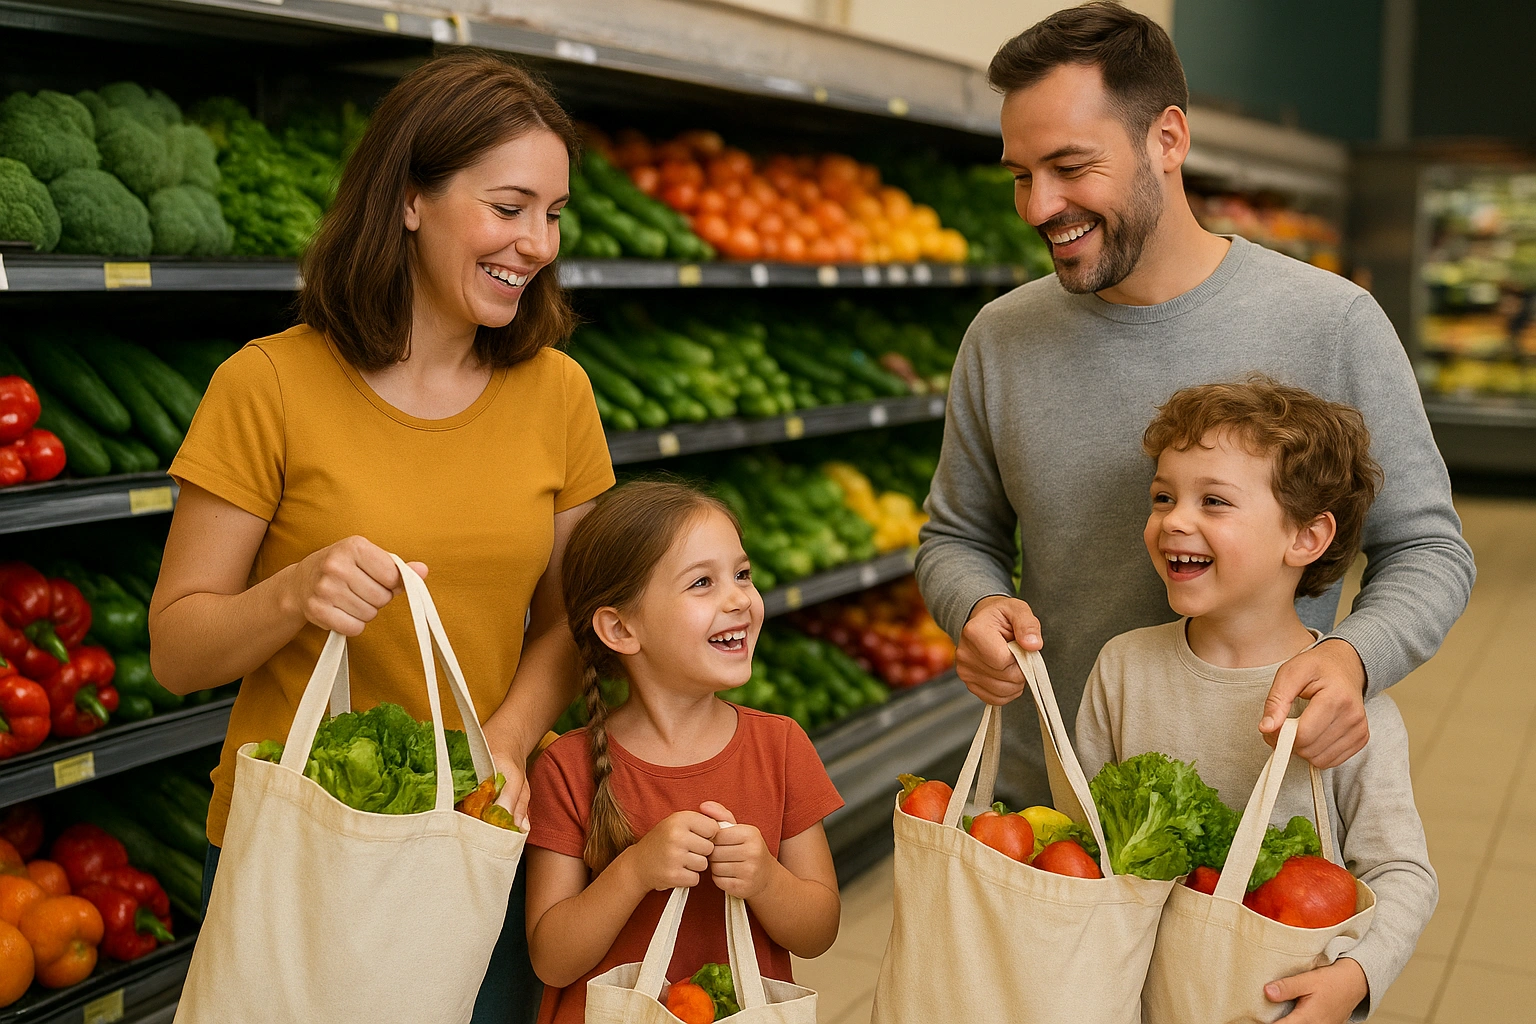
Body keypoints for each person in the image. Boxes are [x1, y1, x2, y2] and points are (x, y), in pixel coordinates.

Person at [146, 52, 613, 1023]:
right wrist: (291, 593)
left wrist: (508, 746)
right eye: (510, 206)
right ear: (410, 199)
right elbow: (177, 650)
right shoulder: (267, 384)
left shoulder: (558, 394)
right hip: (298, 844)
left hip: (475, 835)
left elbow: (574, 617)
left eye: (553, 215)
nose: (535, 243)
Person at [916, 2, 1475, 806]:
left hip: (1260, 821)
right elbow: (955, 535)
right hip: (1058, 808)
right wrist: (977, 604)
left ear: (1167, 139)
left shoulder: (1332, 324)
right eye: (1020, 175)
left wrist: (1355, 656)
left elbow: (1427, 549)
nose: (1039, 207)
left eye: (1071, 167)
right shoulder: (1002, 338)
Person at [1076, 378, 1437, 1023]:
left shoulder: (1348, 710)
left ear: (1305, 538)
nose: (1174, 520)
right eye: (1163, 497)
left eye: (1214, 500)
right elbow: (1086, 843)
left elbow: (1400, 871)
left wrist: (1354, 979)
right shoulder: (1121, 669)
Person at [525, 481, 843, 1023]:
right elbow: (551, 959)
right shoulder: (567, 767)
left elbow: (818, 932)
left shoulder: (781, 745)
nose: (740, 598)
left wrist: (767, 879)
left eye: (742, 574)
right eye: (702, 582)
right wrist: (635, 870)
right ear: (621, 627)